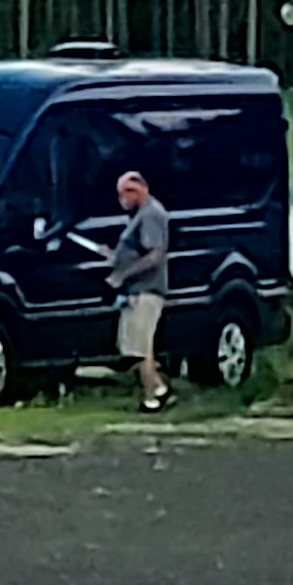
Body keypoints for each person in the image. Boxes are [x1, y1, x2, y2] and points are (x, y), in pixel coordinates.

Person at [111, 170, 175, 413]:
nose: (121, 200)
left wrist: (123, 274)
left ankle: (152, 395)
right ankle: (158, 389)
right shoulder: (141, 215)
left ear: (137, 190)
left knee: (140, 349)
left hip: (146, 291)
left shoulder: (151, 215)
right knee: (138, 348)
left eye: (125, 194)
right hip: (136, 291)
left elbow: (154, 255)